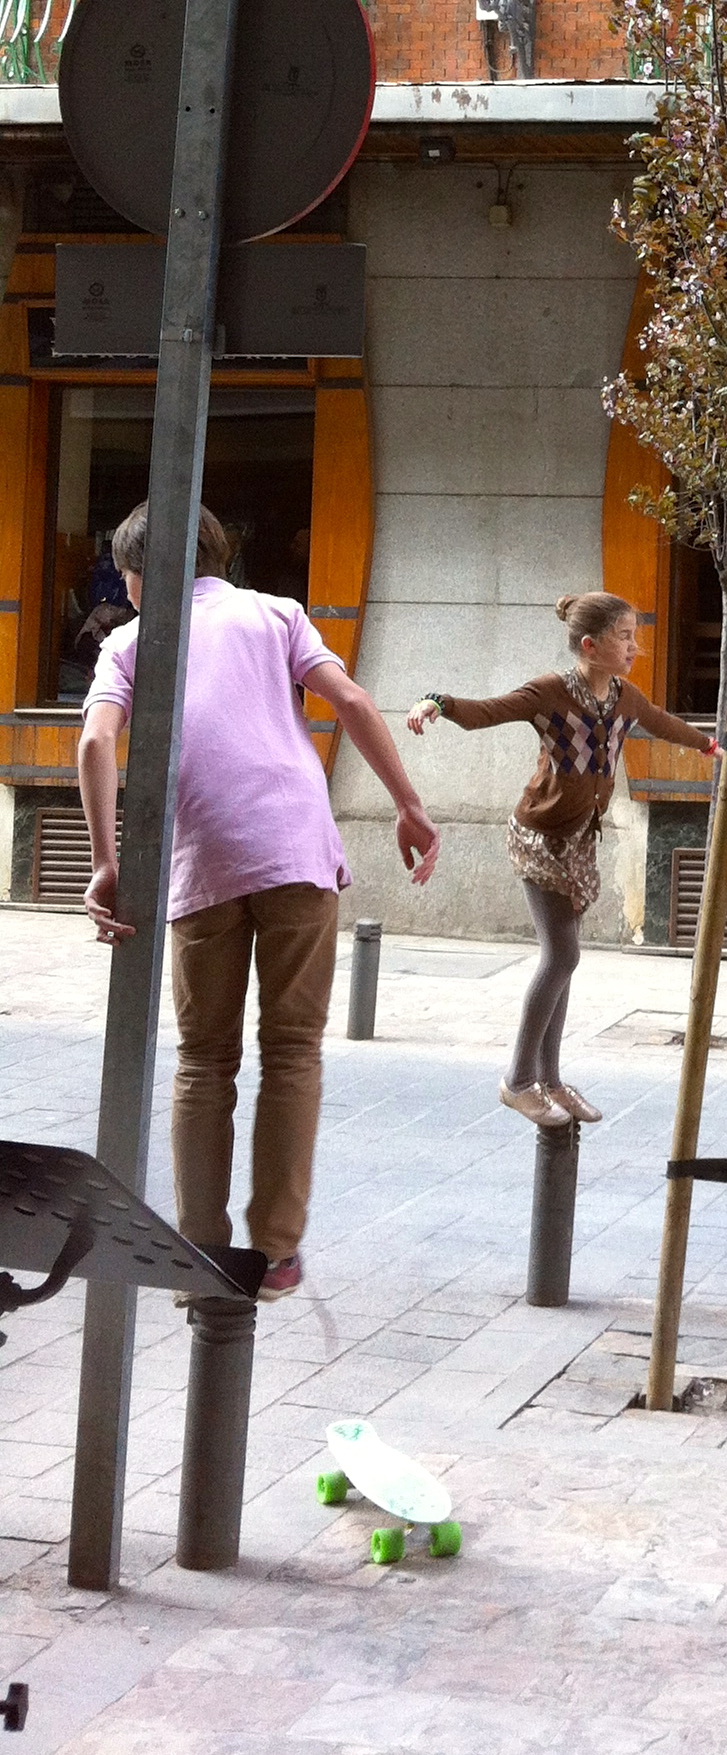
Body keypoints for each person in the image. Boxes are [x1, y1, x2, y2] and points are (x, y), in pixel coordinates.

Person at [78, 501, 440, 1301]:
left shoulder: (131, 642)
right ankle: (276, 1253)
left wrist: (107, 862)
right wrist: (408, 806)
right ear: (220, 558)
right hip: (296, 850)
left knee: (204, 1060)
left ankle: (200, 1252)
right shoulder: (277, 615)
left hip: (203, 861)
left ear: (136, 576)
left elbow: (97, 740)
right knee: (293, 1051)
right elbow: (352, 702)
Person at [406, 591, 716, 1128]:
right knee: (562, 956)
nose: (635, 648)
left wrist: (710, 746)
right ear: (590, 646)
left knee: (563, 961)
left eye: (635, 636)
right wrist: (437, 702)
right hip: (539, 837)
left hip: (579, 840)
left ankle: (550, 1080)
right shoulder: (549, 692)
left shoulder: (624, 697)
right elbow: (488, 711)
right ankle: (518, 1081)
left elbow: (662, 722)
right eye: (625, 637)